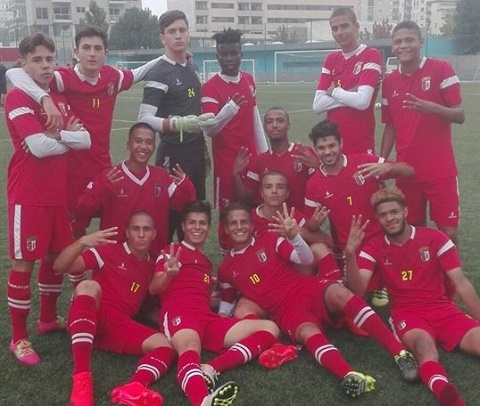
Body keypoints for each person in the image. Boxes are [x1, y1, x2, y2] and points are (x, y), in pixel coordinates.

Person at [218, 202, 418, 398]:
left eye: (244, 222)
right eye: (233, 223)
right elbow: (227, 302)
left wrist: (294, 236)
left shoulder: (269, 239)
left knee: (341, 293)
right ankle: (349, 375)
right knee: (308, 332)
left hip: (305, 287)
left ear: (252, 225)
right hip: (284, 311)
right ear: (226, 229)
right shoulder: (226, 268)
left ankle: (400, 353)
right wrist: (221, 318)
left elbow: (305, 259)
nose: (239, 227)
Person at [6, 25, 163, 236]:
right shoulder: (63, 78)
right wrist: (45, 99)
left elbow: (140, 72)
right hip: (72, 170)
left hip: (103, 168)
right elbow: (15, 72)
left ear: (106, 53)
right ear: (75, 52)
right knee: (73, 232)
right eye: (86, 47)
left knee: (113, 226)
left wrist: (173, 55)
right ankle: (75, 270)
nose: (92, 53)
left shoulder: (112, 77)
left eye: (98, 48)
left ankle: (110, 268)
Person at [345, 187, 480, 406]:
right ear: (378, 218)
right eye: (383, 215)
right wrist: (350, 254)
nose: (390, 218)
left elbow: (462, 284)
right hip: (407, 315)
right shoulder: (374, 247)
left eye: (394, 212)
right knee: (425, 348)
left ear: (405, 211)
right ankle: (446, 394)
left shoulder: (435, 237)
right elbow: (358, 291)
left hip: (444, 309)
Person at [5, 33, 91, 365]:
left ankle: (47, 319)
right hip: (29, 195)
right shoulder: (16, 99)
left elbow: (85, 140)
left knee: (60, 257)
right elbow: (39, 148)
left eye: (49, 59)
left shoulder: (58, 99)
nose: (45, 65)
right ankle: (19, 338)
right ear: (23, 63)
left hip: (58, 195)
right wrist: (63, 138)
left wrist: (58, 136)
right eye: (37, 59)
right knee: (23, 263)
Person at [149, 201, 281, 406]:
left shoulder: (205, 262)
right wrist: (167, 274)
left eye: (202, 223)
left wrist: (219, 295)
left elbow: (199, 293)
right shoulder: (171, 252)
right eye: (192, 223)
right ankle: (203, 400)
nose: (197, 227)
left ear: (208, 228)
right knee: (191, 347)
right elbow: (154, 288)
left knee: (269, 328)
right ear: (183, 226)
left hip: (206, 318)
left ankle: (210, 368)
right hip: (180, 314)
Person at [53, 211, 175, 406]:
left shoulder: (152, 265)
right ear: (127, 232)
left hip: (119, 324)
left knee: (165, 346)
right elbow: (60, 266)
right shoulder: (109, 251)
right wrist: (83, 241)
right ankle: (82, 379)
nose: (141, 234)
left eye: (146, 229)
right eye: (136, 229)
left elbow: (150, 306)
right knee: (87, 286)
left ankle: (134, 388)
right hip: (93, 313)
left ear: (154, 234)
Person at [304, 119, 414, 298]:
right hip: (351, 250)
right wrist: (315, 224)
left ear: (341, 143)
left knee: (407, 288)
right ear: (315, 150)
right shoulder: (314, 184)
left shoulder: (364, 162)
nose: (327, 152)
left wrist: (389, 166)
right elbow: (310, 226)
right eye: (321, 148)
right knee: (361, 296)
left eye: (331, 145)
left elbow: (409, 171)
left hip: (383, 242)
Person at [380, 21, 465, 245]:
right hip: (406, 170)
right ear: (392, 46)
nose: (403, 45)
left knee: (449, 232)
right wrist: (381, 161)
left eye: (409, 40)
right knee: (413, 230)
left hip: (440, 169)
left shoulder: (441, 69)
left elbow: (460, 115)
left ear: (420, 42)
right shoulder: (389, 82)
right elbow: (390, 125)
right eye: (398, 41)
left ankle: (449, 279)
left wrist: (432, 108)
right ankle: (422, 277)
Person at [138, 10, 215, 241]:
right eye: (172, 32)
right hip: (173, 155)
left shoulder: (191, 66)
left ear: (188, 34)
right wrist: (176, 123)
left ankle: (189, 269)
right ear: (162, 38)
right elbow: (143, 118)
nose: (178, 36)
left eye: (182, 30)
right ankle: (160, 267)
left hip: (197, 153)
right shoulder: (159, 72)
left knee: (194, 217)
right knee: (168, 217)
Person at [71, 122, 196, 256]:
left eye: (149, 142)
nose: (143, 147)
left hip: (152, 258)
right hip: (115, 259)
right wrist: (101, 189)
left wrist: (185, 185)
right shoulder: (109, 176)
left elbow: (184, 205)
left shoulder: (162, 177)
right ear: (128, 144)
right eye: (138, 141)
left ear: (154, 146)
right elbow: (80, 210)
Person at [201, 27, 268, 250]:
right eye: (223, 53)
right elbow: (210, 130)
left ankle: (253, 253)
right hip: (226, 163)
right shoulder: (210, 87)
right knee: (229, 212)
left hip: (252, 159)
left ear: (241, 53)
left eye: (233, 52)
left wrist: (265, 154)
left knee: (254, 206)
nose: (229, 58)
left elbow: (255, 117)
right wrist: (228, 109)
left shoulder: (249, 80)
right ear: (217, 55)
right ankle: (227, 254)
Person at [312, 7, 382, 155]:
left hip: (360, 142)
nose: (339, 32)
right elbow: (317, 105)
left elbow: (362, 102)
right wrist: (352, 93)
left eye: (344, 26)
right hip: (333, 145)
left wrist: (334, 92)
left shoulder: (371, 55)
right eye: (334, 28)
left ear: (356, 27)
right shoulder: (331, 59)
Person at [233, 106, 317, 211]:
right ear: (264, 127)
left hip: (301, 222)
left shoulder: (304, 153)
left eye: (280, 121)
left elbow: (324, 189)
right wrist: (236, 174)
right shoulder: (259, 160)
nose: (274, 125)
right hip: (270, 222)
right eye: (269, 122)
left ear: (288, 125)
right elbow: (245, 198)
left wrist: (318, 167)